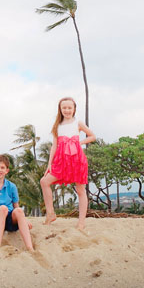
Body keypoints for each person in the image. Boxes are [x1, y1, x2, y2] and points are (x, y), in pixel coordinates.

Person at [40, 96, 96, 231]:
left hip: (77, 160)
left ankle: (81, 222)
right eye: (64, 107)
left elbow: (92, 136)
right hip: (61, 161)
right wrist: (49, 164)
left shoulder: (78, 123)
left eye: (69, 107)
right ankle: (51, 214)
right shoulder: (57, 126)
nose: (67, 110)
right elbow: (54, 146)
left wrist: (80, 142)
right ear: (60, 109)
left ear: (74, 109)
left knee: (80, 190)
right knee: (44, 181)